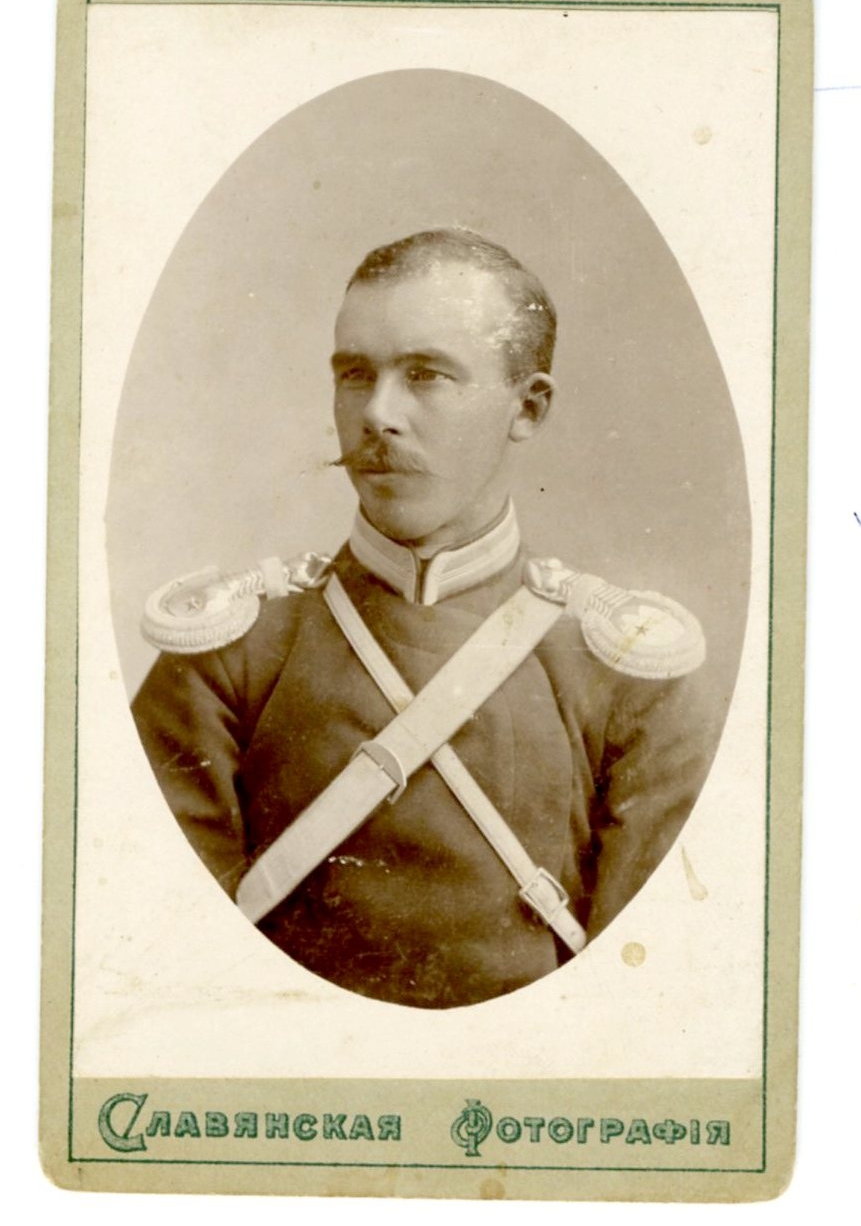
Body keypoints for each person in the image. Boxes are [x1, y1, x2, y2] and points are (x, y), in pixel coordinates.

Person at [132, 228, 718, 1010]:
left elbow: (645, 1004)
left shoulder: (629, 677)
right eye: (354, 374)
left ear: (527, 407)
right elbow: (167, 978)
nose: (377, 414)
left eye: (426, 375)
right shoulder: (225, 657)